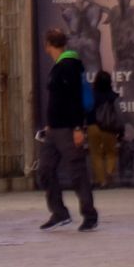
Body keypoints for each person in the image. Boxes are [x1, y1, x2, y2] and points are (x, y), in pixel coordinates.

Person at [37, 25, 98, 232]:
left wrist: (78, 128)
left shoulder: (69, 66)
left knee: (77, 172)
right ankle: (59, 212)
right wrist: (49, 124)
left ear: (48, 46)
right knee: (45, 169)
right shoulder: (58, 66)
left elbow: (73, 99)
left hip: (68, 129)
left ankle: (89, 215)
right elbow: (58, 100)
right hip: (54, 129)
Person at [87, 64, 121, 190]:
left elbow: (86, 109)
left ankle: (101, 181)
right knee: (111, 152)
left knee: (96, 154)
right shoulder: (113, 96)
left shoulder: (91, 94)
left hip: (93, 126)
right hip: (109, 127)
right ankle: (109, 174)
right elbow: (118, 113)